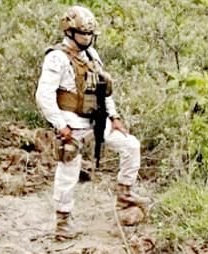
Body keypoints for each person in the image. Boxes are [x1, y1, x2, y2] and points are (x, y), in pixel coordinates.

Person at [36, 5, 149, 230]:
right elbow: (44, 95)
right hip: (71, 123)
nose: (87, 38)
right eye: (83, 33)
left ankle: (125, 195)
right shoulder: (57, 58)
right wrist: (60, 125)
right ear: (69, 32)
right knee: (69, 168)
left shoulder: (91, 56)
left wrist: (114, 116)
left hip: (96, 120)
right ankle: (62, 220)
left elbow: (103, 90)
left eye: (90, 34)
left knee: (130, 145)